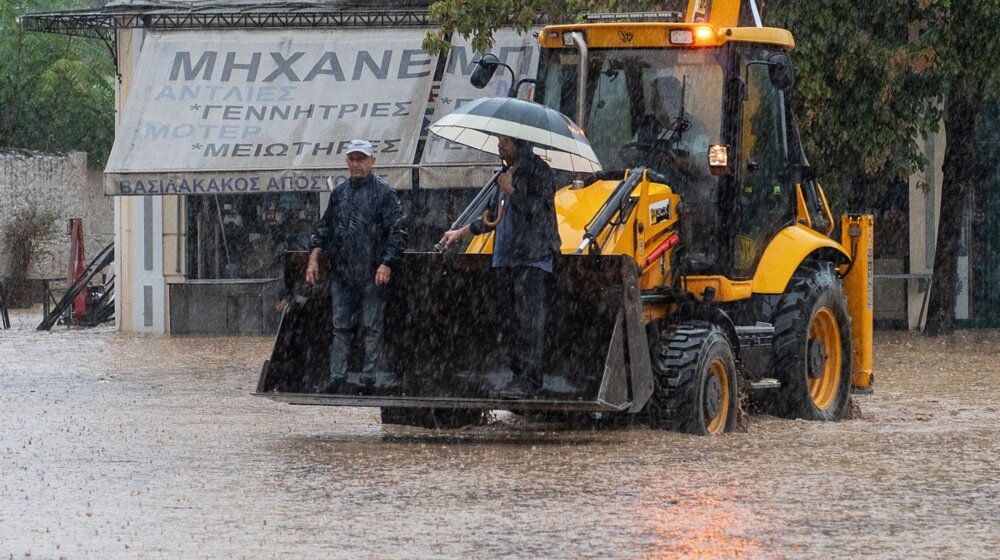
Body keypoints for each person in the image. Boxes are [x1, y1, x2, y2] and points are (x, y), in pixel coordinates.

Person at [439, 135, 561, 399]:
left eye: (505, 141)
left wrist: (512, 191)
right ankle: (517, 377)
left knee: (529, 323)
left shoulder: (540, 172)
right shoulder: (505, 173)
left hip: (531, 257)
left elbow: (541, 213)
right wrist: (461, 232)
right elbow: (493, 217)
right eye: (499, 140)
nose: (500, 146)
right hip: (506, 258)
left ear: (521, 143)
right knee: (511, 322)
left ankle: (531, 382)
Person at [306, 139, 407, 393]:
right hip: (343, 271)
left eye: (361, 159)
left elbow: (398, 232)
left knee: (372, 326)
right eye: (352, 159)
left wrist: (386, 263)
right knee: (340, 326)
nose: (356, 164)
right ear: (346, 162)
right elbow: (324, 228)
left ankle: (368, 378)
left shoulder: (385, 193)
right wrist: (313, 257)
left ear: (372, 161)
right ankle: (337, 377)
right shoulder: (339, 193)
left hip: (372, 272)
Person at [624, 76, 710, 183]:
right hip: (647, 186)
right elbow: (631, 154)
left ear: (676, 99)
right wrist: (631, 154)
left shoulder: (695, 128)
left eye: (659, 98)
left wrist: (675, 160)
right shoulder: (646, 125)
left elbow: (703, 169)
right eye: (654, 98)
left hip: (683, 188)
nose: (653, 102)